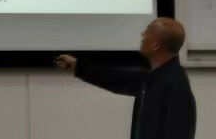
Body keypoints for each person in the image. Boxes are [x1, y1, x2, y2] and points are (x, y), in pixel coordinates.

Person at [55, 18, 196, 139]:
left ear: (155, 45)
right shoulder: (154, 77)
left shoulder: (174, 85)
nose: (142, 35)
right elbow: (115, 78)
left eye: (147, 32)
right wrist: (77, 65)